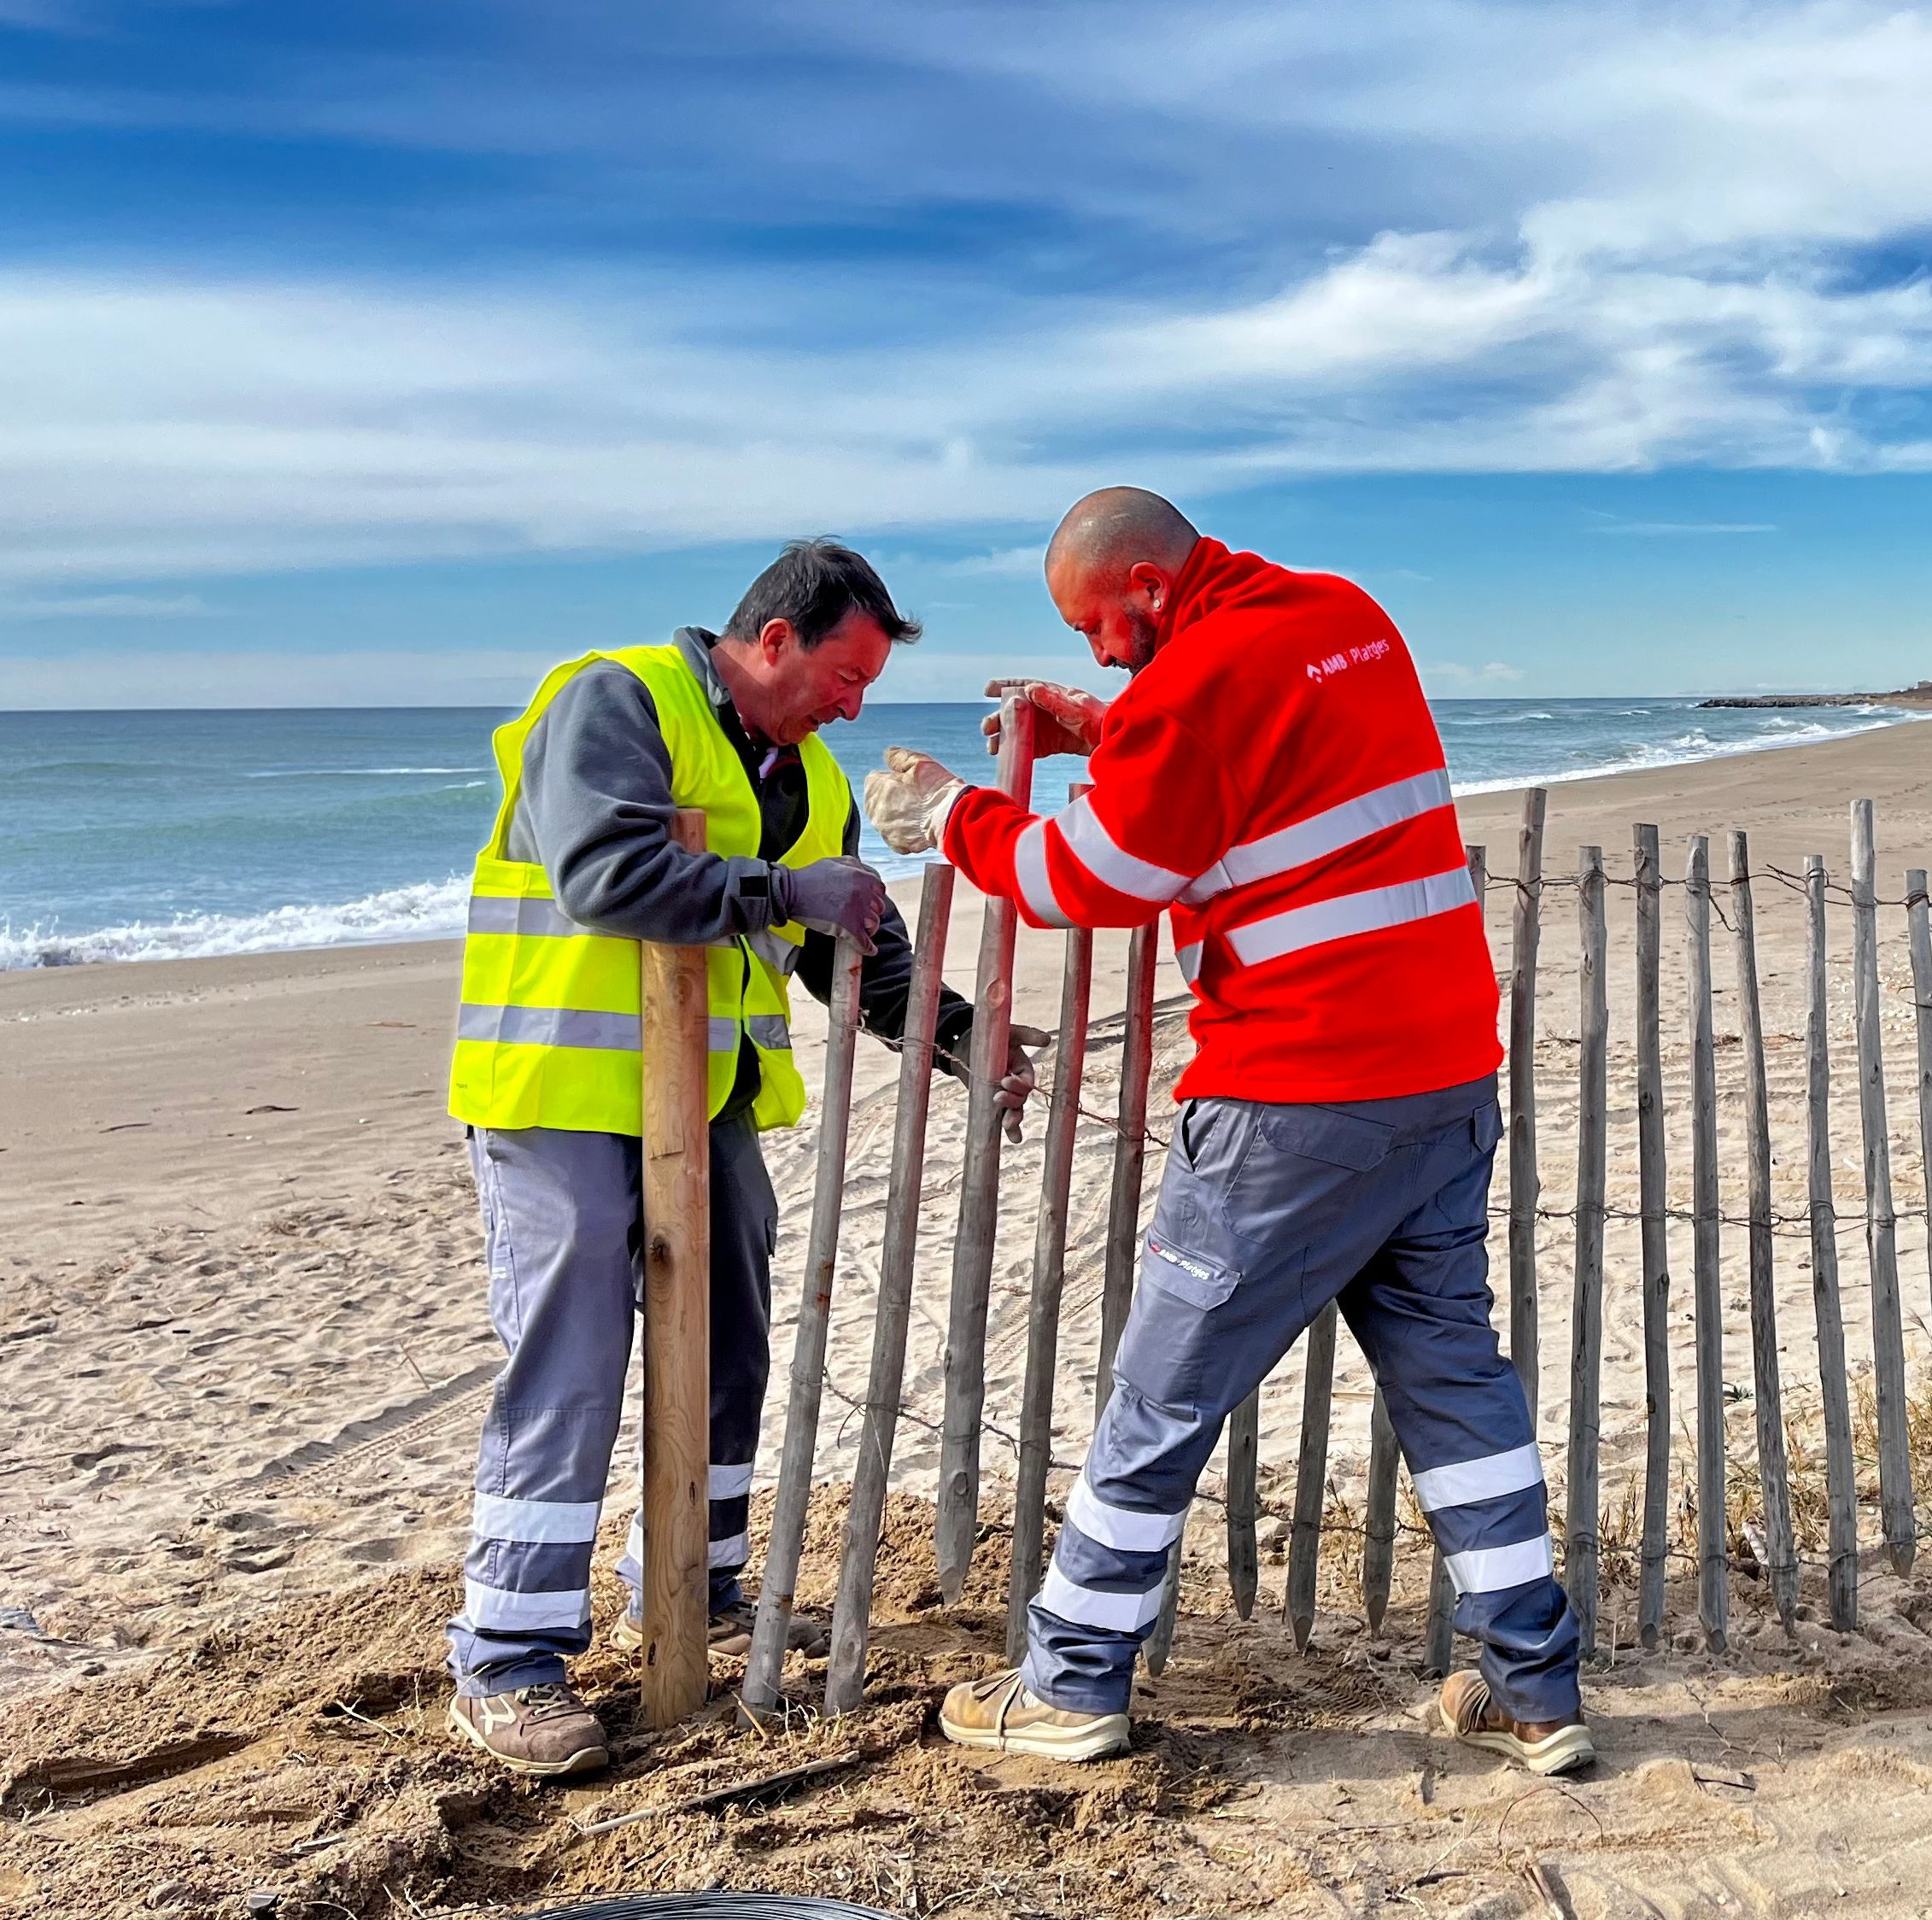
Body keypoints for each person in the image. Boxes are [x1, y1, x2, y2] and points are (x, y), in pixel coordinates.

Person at [867, 487, 1590, 1775]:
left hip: (1295, 1099)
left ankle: (1073, 1683)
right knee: (1455, 1384)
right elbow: (1256, 763)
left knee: (1163, 1395)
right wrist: (1117, 725)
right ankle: (1534, 1689)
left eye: (1099, 628)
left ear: (1147, 587)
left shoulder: (1192, 684)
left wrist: (952, 814)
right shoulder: (1341, 616)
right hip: (1441, 1082)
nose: (1095, 654)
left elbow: (1091, 880)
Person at [443, 539, 1039, 1777]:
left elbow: (850, 954)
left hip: (705, 1103)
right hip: (558, 1088)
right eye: (844, 674)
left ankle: (696, 1592)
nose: (853, 705)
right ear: (772, 640)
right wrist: (782, 891)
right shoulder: (613, 697)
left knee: (731, 1339)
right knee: (572, 1354)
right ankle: (507, 1659)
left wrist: (968, 1038)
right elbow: (608, 875)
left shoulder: (810, 776)